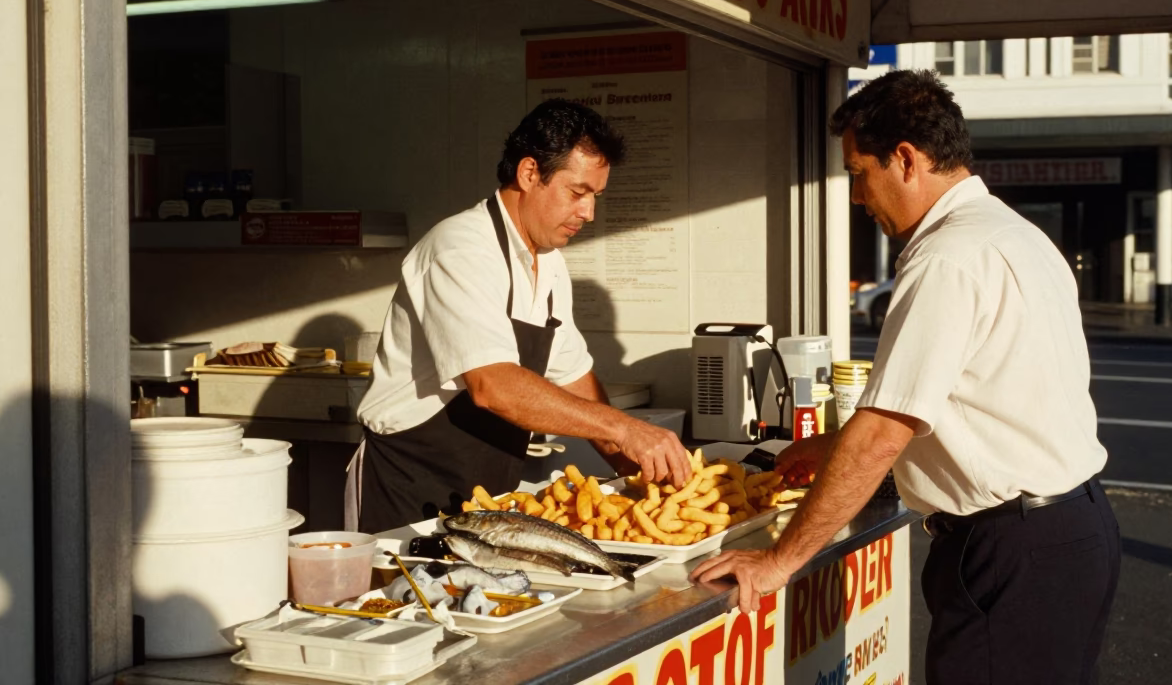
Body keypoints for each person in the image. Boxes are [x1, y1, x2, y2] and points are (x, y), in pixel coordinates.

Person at [692, 70, 1120, 684]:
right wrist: (826, 447)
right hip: (1073, 530)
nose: (858, 197)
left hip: (1014, 546)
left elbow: (882, 432)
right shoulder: (1013, 234)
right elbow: (964, 396)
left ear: (906, 159)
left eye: (859, 174)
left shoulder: (946, 257)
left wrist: (779, 561)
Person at [347, 99, 692, 534]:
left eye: (596, 197)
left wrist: (649, 476)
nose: (589, 213)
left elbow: (575, 378)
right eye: (577, 192)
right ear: (529, 173)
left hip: (488, 499)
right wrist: (625, 429)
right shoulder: (460, 248)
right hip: (408, 493)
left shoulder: (546, 261)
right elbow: (493, 386)